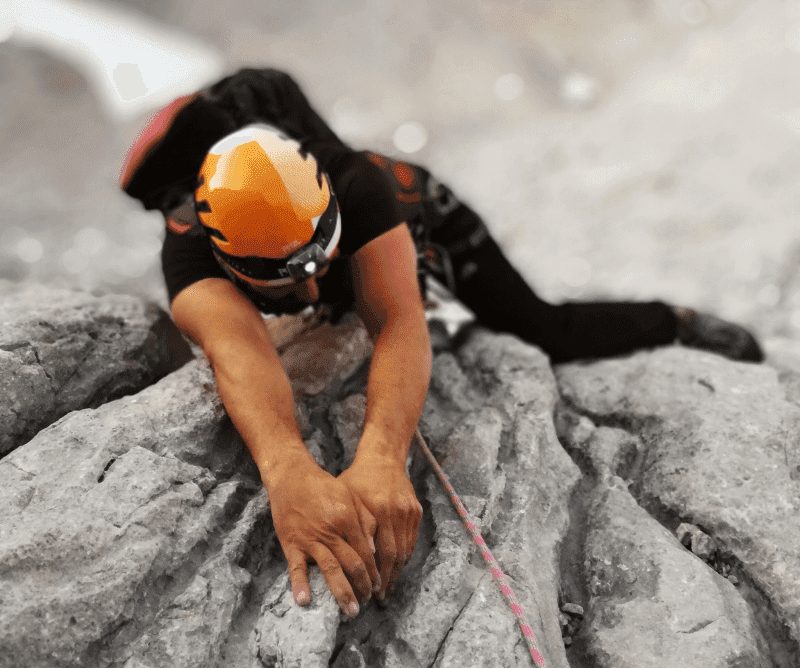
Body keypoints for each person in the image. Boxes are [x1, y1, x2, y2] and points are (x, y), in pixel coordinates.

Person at [119, 67, 763, 619]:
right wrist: (287, 471)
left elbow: (398, 321)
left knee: (540, 328)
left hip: (415, 211)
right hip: (312, 244)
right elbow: (240, 357)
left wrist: (381, 455)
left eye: (320, 267)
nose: (312, 298)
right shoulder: (191, 260)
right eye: (287, 283)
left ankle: (674, 322)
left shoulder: (359, 185)